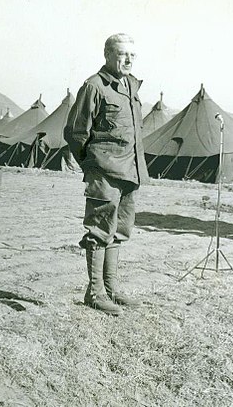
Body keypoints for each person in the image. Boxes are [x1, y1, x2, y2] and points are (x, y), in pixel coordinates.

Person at [64, 33, 148, 316]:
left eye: (132, 55)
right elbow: (76, 133)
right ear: (108, 55)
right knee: (99, 231)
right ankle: (95, 293)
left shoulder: (131, 87)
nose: (128, 60)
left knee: (119, 231)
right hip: (104, 172)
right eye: (122, 54)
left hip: (130, 171)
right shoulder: (94, 86)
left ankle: (110, 290)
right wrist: (92, 166)